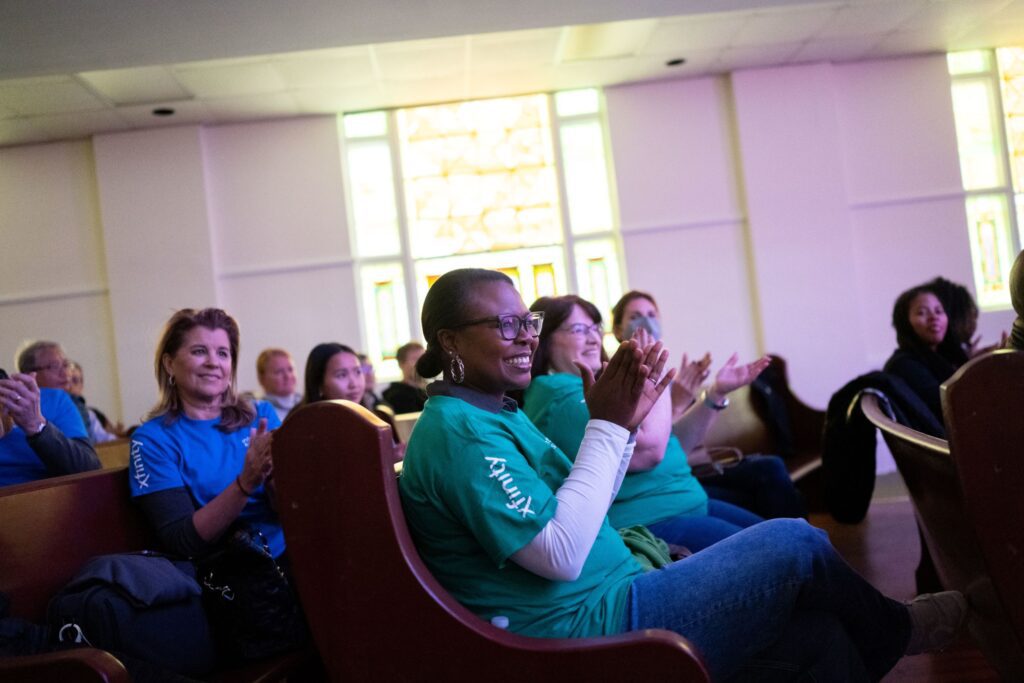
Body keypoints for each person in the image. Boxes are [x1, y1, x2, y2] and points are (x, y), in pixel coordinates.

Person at [399, 268, 967, 682]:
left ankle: (883, 631)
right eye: (506, 324)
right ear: (449, 341)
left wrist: (620, 428)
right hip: (584, 629)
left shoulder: (495, 412)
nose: (525, 335)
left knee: (820, 639)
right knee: (794, 541)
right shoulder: (459, 433)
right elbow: (560, 552)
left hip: (616, 590)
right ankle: (902, 628)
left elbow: (584, 497)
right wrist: (612, 425)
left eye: (528, 321)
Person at [524, 294, 765, 551]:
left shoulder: (600, 386)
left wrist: (715, 393)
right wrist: (651, 371)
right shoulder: (559, 395)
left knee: (792, 534)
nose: (594, 338)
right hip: (650, 523)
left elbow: (674, 446)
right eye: (578, 329)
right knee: (790, 546)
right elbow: (651, 452)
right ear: (544, 339)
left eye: (595, 328)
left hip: (686, 503)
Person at [609, 290, 806, 520]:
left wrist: (715, 393)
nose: (646, 322)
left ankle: (802, 545)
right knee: (768, 479)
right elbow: (655, 452)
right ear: (618, 329)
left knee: (771, 473)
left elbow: (693, 444)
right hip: (669, 485)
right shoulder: (616, 382)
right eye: (635, 317)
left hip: (693, 468)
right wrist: (678, 405)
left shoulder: (669, 375)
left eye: (652, 314)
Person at [129, 308, 282, 560]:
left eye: (223, 353)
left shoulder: (261, 415)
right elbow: (181, 540)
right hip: (225, 576)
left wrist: (279, 481)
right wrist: (246, 483)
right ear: (169, 364)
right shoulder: (152, 440)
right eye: (199, 351)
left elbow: (290, 505)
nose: (213, 362)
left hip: (290, 553)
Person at [1, 367, 99, 486]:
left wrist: (36, 425)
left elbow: (90, 470)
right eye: (53, 366)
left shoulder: (55, 400)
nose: (65, 373)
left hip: (52, 495)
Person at [883, 285, 961, 424]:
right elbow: (951, 408)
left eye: (938, 311)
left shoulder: (942, 357)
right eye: (922, 312)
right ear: (904, 323)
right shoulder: (904, 365)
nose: (934, 317)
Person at [16, 340, 90, 434]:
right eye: (54, 366)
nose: (65, 373)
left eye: (66, 365)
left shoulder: (75, 402)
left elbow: (80, 446)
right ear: (30, 374)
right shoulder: (15, 406)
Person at [67, 360, 124, 443]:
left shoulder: (90, 415)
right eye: (67, 381)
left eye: (75, 381)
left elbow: (105, 439)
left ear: (81, 386)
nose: (70, 386)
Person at [299, 343, 366, 406]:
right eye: (342, 375)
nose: (354, 384)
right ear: (320, 384)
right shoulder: (304, 418)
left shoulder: (370, 416)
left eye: (358, 372)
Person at [255, 348, 302, 422]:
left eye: (290, 369)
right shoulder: (258, 411)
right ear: (262, 379)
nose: (287, 376)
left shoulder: (307, 404)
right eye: (279, 372)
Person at [382, 341, 428, 414]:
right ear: (401, 364)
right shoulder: (396, 396)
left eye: (422, 358)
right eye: (415, 359)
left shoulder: (430, 391)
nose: (421, 363)